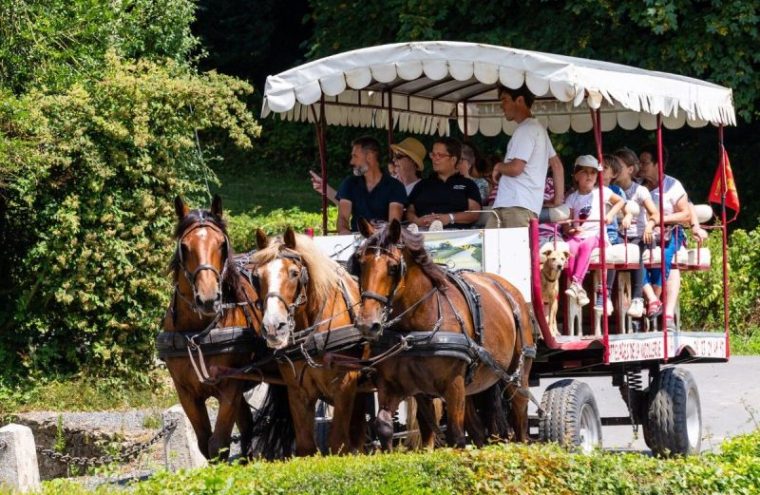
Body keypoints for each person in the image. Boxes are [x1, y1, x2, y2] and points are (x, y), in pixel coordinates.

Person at [487, 84, 559, 228]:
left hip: (515, 206)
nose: (502, 106)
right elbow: (557, 165)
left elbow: (515, 168)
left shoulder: (526, 129)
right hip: (520, 205)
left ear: (519, 100)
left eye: (505, 100)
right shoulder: (538, 129)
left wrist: (498, 166)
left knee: (501, 249)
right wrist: (558, 200)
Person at [637, 144, 692, 330]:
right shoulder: (639, 187)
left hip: (671, 231)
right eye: (639, 163)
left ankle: (661, 309)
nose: (641, 167)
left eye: (645, 163)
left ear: (658, 164)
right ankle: (652, 303)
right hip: (645, 234)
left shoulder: (673, 185)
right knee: (637, 257)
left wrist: (662, 219)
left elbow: (686, 215)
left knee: (666, 255)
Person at [563, 155, 626, 307]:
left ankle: (576, 282)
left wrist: (610, 215)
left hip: (597, 236)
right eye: (585, 172)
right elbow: (567, 224)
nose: (590, 176)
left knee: (586, 245)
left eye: (593, 172)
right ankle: (577, 287)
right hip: (579, 236)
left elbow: (621, 201)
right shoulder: (571, 198)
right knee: (569, 248)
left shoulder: (602, 192)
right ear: (577, 175)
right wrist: (572, 230)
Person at [612, 147, 659, 322]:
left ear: (630, 170)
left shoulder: (640, 191)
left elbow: (655, 214)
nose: (615, 170)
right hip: (620, 236)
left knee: (635, 249)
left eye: (619, 166)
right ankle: (608, 298)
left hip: (639, 235)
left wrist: (649, 226)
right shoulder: (613, 191)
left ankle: (638, 298)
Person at [335, 136, 407, 234]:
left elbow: (393, 225)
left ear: (369, 156)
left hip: (383, 242)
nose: (351, 162)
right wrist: (347, 236)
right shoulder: (350, 183)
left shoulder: (395, 186)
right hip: (355, 241)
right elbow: (342, 218)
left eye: (355, 156)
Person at [407, 137, 481, 230]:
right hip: (421, 231)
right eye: (433, 155)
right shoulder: (422, 184)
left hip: (456, 234)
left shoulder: (468, 184)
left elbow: (475, 213)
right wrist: (417, 220)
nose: (435, 159)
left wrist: (450, 218)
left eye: (440, 155)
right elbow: (410, 210)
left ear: (453, 159)